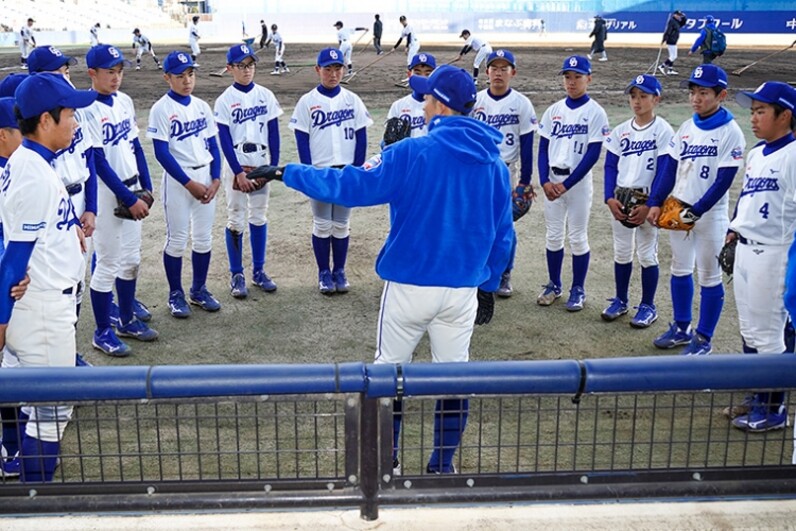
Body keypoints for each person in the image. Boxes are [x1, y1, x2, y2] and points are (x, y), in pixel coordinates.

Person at [248, 64, 514, 476]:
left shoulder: (413, 151)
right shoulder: (494, 164)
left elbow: (350, 186)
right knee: (455, 379)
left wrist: (288, 172)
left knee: (389, 373)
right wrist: (489, 284)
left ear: (441, 105)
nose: (423, 104)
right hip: (462, 290)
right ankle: (441, 466)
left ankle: (387, 460)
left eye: (427, 97)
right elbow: (503, 236)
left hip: (409, 286)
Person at [0, 72, 97, 481]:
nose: (75, 122)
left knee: (27, 402)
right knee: (52, 413)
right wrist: (0, 325)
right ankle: (34, 505)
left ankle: (16, 469)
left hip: (38, 301)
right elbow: (13, 258)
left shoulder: (34, 161)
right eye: (70, 114)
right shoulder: (33, 172)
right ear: (45, 120)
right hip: (41, 309)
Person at [646, 64, 745, 355]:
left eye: (703, 92)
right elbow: (669, 169)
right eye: (693, 92)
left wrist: (697, 211)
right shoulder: (687, 127)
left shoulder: (731, 132)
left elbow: (724, 181)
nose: (696, 98)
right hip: (678, 209)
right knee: (679, 269)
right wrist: (655, 202)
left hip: (709, 215)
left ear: (721, 95)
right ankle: (681, 327)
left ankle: (703, 338)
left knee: (709, 276)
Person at [725, 82, 796, 432]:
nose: (753, 118)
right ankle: (758, 394)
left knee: (770, 334)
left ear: (785, 116)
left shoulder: (794, 155)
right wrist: (735, 228)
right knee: (750, 329)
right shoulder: (757, 153)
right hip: (746, 250)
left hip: (775, 253)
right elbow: (747, 199)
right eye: (752, 111)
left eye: (761, 111)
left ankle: (775, 408)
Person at [27, 45, 100, 363]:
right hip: (59, 210)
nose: (65, 75)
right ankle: (58, 355)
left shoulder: (70, 114)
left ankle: (68, 349)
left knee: (77, 281)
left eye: (67, 70)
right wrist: (71, 219)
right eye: (58, 71)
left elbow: (90, 163)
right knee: (55, 285)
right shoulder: (40, 133)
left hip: (80, 200)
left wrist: (91, 208)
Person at [84, 45, 158, 356]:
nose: (116, 77)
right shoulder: (86, 108)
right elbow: (98, 161)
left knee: (131, 260)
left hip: (132, 188)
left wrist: (147, 187)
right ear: (92, 73)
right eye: (109, 71)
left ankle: (126, 319)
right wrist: (128, 197)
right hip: (107, 193)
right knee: (108, 263)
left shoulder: (125, 101)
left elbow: (135, 146)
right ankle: (102, 331)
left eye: (119, 71)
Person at [288, 48, 372, 294]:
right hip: (321, 172)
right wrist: (308, 174)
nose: (333, 74)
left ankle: (340, 270)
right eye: (328, 68)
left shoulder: (352, 99)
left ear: (343, 70)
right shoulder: (307, 101)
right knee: (323, 224)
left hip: (346, 171)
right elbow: (302, 138)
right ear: (318, 70)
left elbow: (361, 136)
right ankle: (324, 271)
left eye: (338, 68)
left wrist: (357, 170)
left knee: (342, 224)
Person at [147, 51, 222, 318]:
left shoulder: (202, 106)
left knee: (203, 238)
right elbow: (161, 153)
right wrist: (189, 183)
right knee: (177, 240)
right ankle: (175, 293)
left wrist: (216, 179)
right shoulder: (161, 109)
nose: (187, 80)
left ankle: (199, 289)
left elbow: (214, 144)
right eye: (180, 75)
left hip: (204, 176)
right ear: (167, 77)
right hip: (180, 181)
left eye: (190, 74)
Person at [536, 56, 610, 311]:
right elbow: (543, 148)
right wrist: (545, 181)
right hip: (552, 181)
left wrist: (566, 185)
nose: (571, 81)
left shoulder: (595, 112)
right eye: (568, 76)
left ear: (588, 78)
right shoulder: (553, 110)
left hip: (576, 183)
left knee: (578, 237)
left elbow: (592, 155)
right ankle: (554, 285)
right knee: (554, 235)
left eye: (577, 76)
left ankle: (577, 289)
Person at [602, 74, 674, 327]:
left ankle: (647, 306)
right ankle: (620, 300)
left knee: (646, 254)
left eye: (643, 96)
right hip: (622, 197)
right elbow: (610, 166)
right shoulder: (621, 131)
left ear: (656, 99)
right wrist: (609, 198)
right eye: (633, 96)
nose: (637, 101)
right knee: (622, 252)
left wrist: (652, 204)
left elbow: (666, 170)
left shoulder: (662, 130)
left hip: (648, 200)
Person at [214, 44, 283, 299]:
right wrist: (237, 172)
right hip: (236, 160)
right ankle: (237, 273)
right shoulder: (224, 100)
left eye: (250, 65)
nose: (247, 70)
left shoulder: (266, 95)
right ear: (230, 68)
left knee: (259, 216)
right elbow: (223, 138)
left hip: (260, 158)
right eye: (241, 66)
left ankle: (259, 270)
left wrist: (273, 167)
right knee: (235, 218)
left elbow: (274, 132)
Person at [472, 49, 537, 297]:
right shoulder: (475, 101)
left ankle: (504, 272)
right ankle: (480, 269)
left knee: (505, 226)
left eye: (504, 68)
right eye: (494, 68)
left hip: (507, 171)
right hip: (479, 172)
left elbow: (528, 146)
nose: (499, 73)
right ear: (487, 72)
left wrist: (525, 182)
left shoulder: (521, 103)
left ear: (513, 73)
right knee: (479, 223)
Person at [386, 53, 436, 138]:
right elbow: (387, 142)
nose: (422, 77)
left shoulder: (441, 106)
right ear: (409, 75)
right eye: (417, 73)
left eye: (428, 74)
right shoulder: (398, 105)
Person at [660, 10, 687, 76]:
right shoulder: (672, 21)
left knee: (672, 56)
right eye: (678, 15)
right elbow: (668, 30)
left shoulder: (677, 22)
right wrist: (664, 39)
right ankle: (662, 66)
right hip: (671, 40)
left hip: (673, 40)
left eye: (679, 15)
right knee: (673, 56)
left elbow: (683, 23)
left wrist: (684, 17)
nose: (679, 16)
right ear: (674, 15)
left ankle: (670, 70)